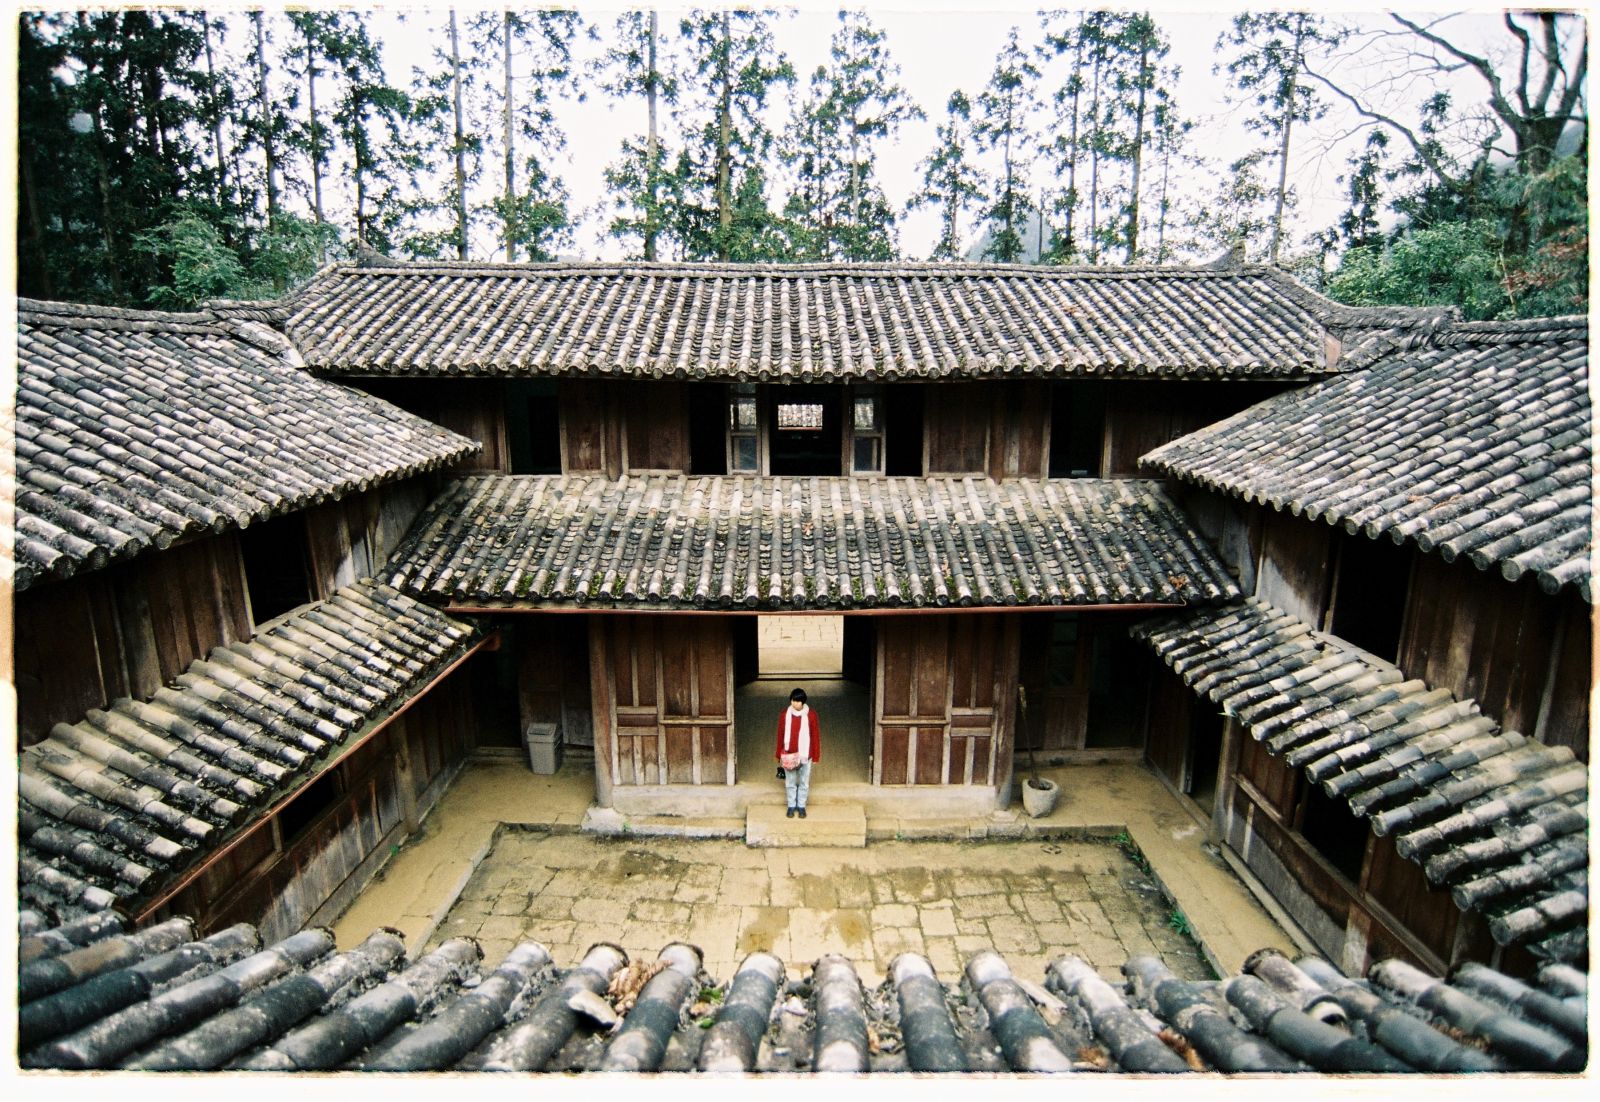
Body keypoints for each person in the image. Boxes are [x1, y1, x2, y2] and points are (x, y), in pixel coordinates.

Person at [775, 687, 820, 818]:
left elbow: (815, 736)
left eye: (798, 701)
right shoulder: (784, 714)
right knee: (790, 782)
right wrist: (778, 754)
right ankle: (791, 806)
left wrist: (816, 755)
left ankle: (801, 806)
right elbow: (780, 734)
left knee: (804, 782)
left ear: (803, 702)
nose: (795, 703)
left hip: (806, 755)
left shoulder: (811, 715)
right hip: (789, 754)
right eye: (793, 700)